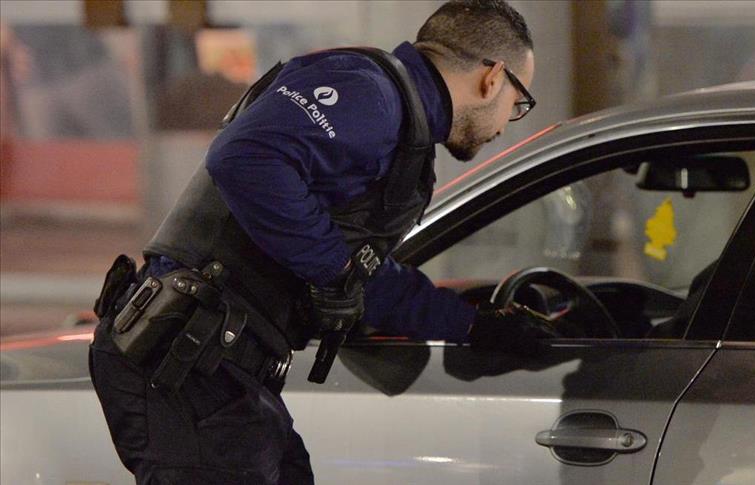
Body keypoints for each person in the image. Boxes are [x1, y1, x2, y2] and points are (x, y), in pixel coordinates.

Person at [89, 1, 554, 483]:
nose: (507, 122)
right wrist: (334, 271)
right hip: (187, 362)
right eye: (519, 103)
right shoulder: (369, 93)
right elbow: (243, 159)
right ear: (493, 78)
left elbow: (362, 275)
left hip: (220, 369)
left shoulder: (398, 125)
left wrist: (472, 325)